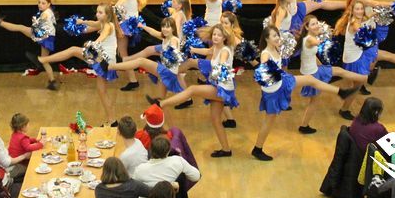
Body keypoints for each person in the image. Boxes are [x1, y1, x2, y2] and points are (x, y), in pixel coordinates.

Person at [251, 25, 357, 161]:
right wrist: (267, 68)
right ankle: (257, 149)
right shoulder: (266, 53)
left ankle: (341, 92)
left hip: (282, 81)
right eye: (274, 36)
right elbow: (264, 68)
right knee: (269, 121)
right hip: (273, 91)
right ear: (267, 39)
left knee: (310, 80)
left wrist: (300, 34)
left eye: (277, 35)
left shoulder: (277, 47)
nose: (277, 38)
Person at [147, 24, 236, 158]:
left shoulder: (224, 50)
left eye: (219, 35)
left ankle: (160, 104)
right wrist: (192, 49)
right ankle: (226, 150)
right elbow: (207, 51)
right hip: (216, 85)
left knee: (192, 89)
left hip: (223, 89)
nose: (216, 37)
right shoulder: (215, 48)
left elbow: (223, 62)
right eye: (214, 34)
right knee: (216, 120)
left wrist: (221, 67)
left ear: (224, 37)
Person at [38, 3, 120, 126]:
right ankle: (113, 121)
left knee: (73, 50)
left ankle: (45, 59)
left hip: (104, 60)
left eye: (100, 12)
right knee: (102, 91)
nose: (97, 14)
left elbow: (102, 37)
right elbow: (93, 23)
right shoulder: (102, 23)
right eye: (97, 12)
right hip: (103, 58)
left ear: (107, 15)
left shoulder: (108, 26)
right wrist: (82, 22)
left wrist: (94, 43)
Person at [296, 16, 368, 134]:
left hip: (315, 69)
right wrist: (324, 33)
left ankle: (366, 78)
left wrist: (322, 66)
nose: (316, 26)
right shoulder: (309, 39)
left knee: (339, 71)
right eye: (313, 24)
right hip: (312, 74)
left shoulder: (307, 38)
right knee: (314, 101)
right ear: (306, 27)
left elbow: (311, 56)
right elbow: (318, 43)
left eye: (317, 23)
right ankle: (303, 126)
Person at [0, 0, 59, 89]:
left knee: (21, 28)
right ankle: (52, 81)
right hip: (46, 36)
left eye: (43, 3)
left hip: (44, 36)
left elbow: (40, 22)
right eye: (39, 2)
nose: (40, 5)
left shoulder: (45, 13)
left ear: (49, 4)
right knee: (45, 60)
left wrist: (36, 22)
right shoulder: (48, 11)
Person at [108, 17, 184, 100]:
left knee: (141, 61)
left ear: (173, 29)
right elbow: (153, 32)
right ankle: (158, 105)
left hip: (168, 71)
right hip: (166, 71)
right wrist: (142, 26)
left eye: (168, 27)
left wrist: (166, 52)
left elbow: (173, 51)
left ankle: (110, 66)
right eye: (163, 26)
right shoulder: (165, 37)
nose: (165, 29)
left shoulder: (173, 40)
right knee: (160, 99)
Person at [114, 0, 149, 91]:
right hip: (131, 23)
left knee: (122, 52)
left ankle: (133, 80)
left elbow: (119, 4)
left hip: (127, 24)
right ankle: (132, 79)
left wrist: (110, 9)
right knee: (122, 51)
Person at [133, 136, 200, 188]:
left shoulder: (140, 169)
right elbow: (196, 177)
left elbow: (132, 186)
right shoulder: (178, 161)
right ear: (168, 151)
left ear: (151, 150)